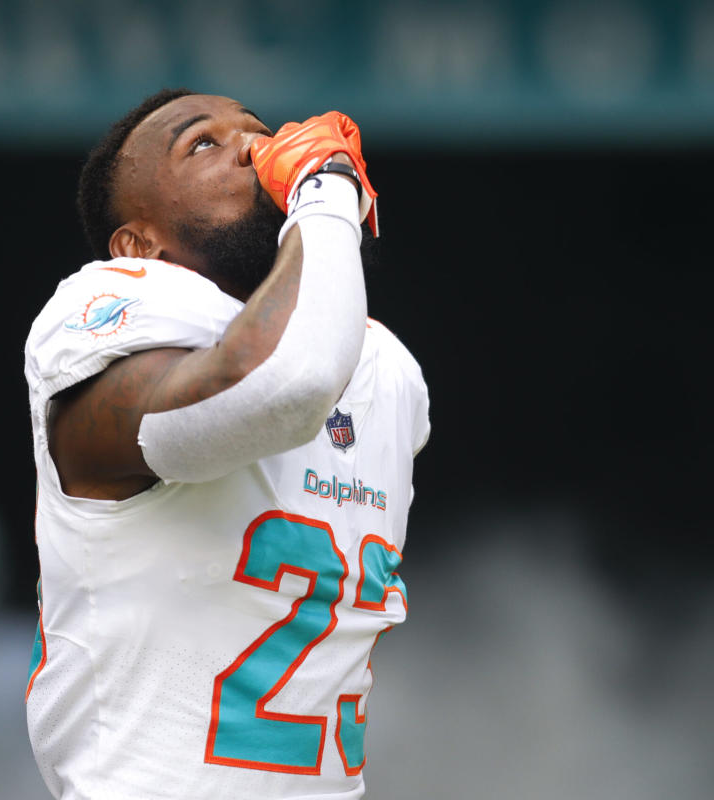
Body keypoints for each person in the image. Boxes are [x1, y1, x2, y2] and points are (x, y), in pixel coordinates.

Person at [22, 87, 430, 800]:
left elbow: (308, 354)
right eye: (201, 144)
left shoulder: (383, 367)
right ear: (137, 244)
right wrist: (327, 198)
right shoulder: (105, 309)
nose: (252, 147)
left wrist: (318, 218)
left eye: (260, 130)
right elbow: (279, 387)